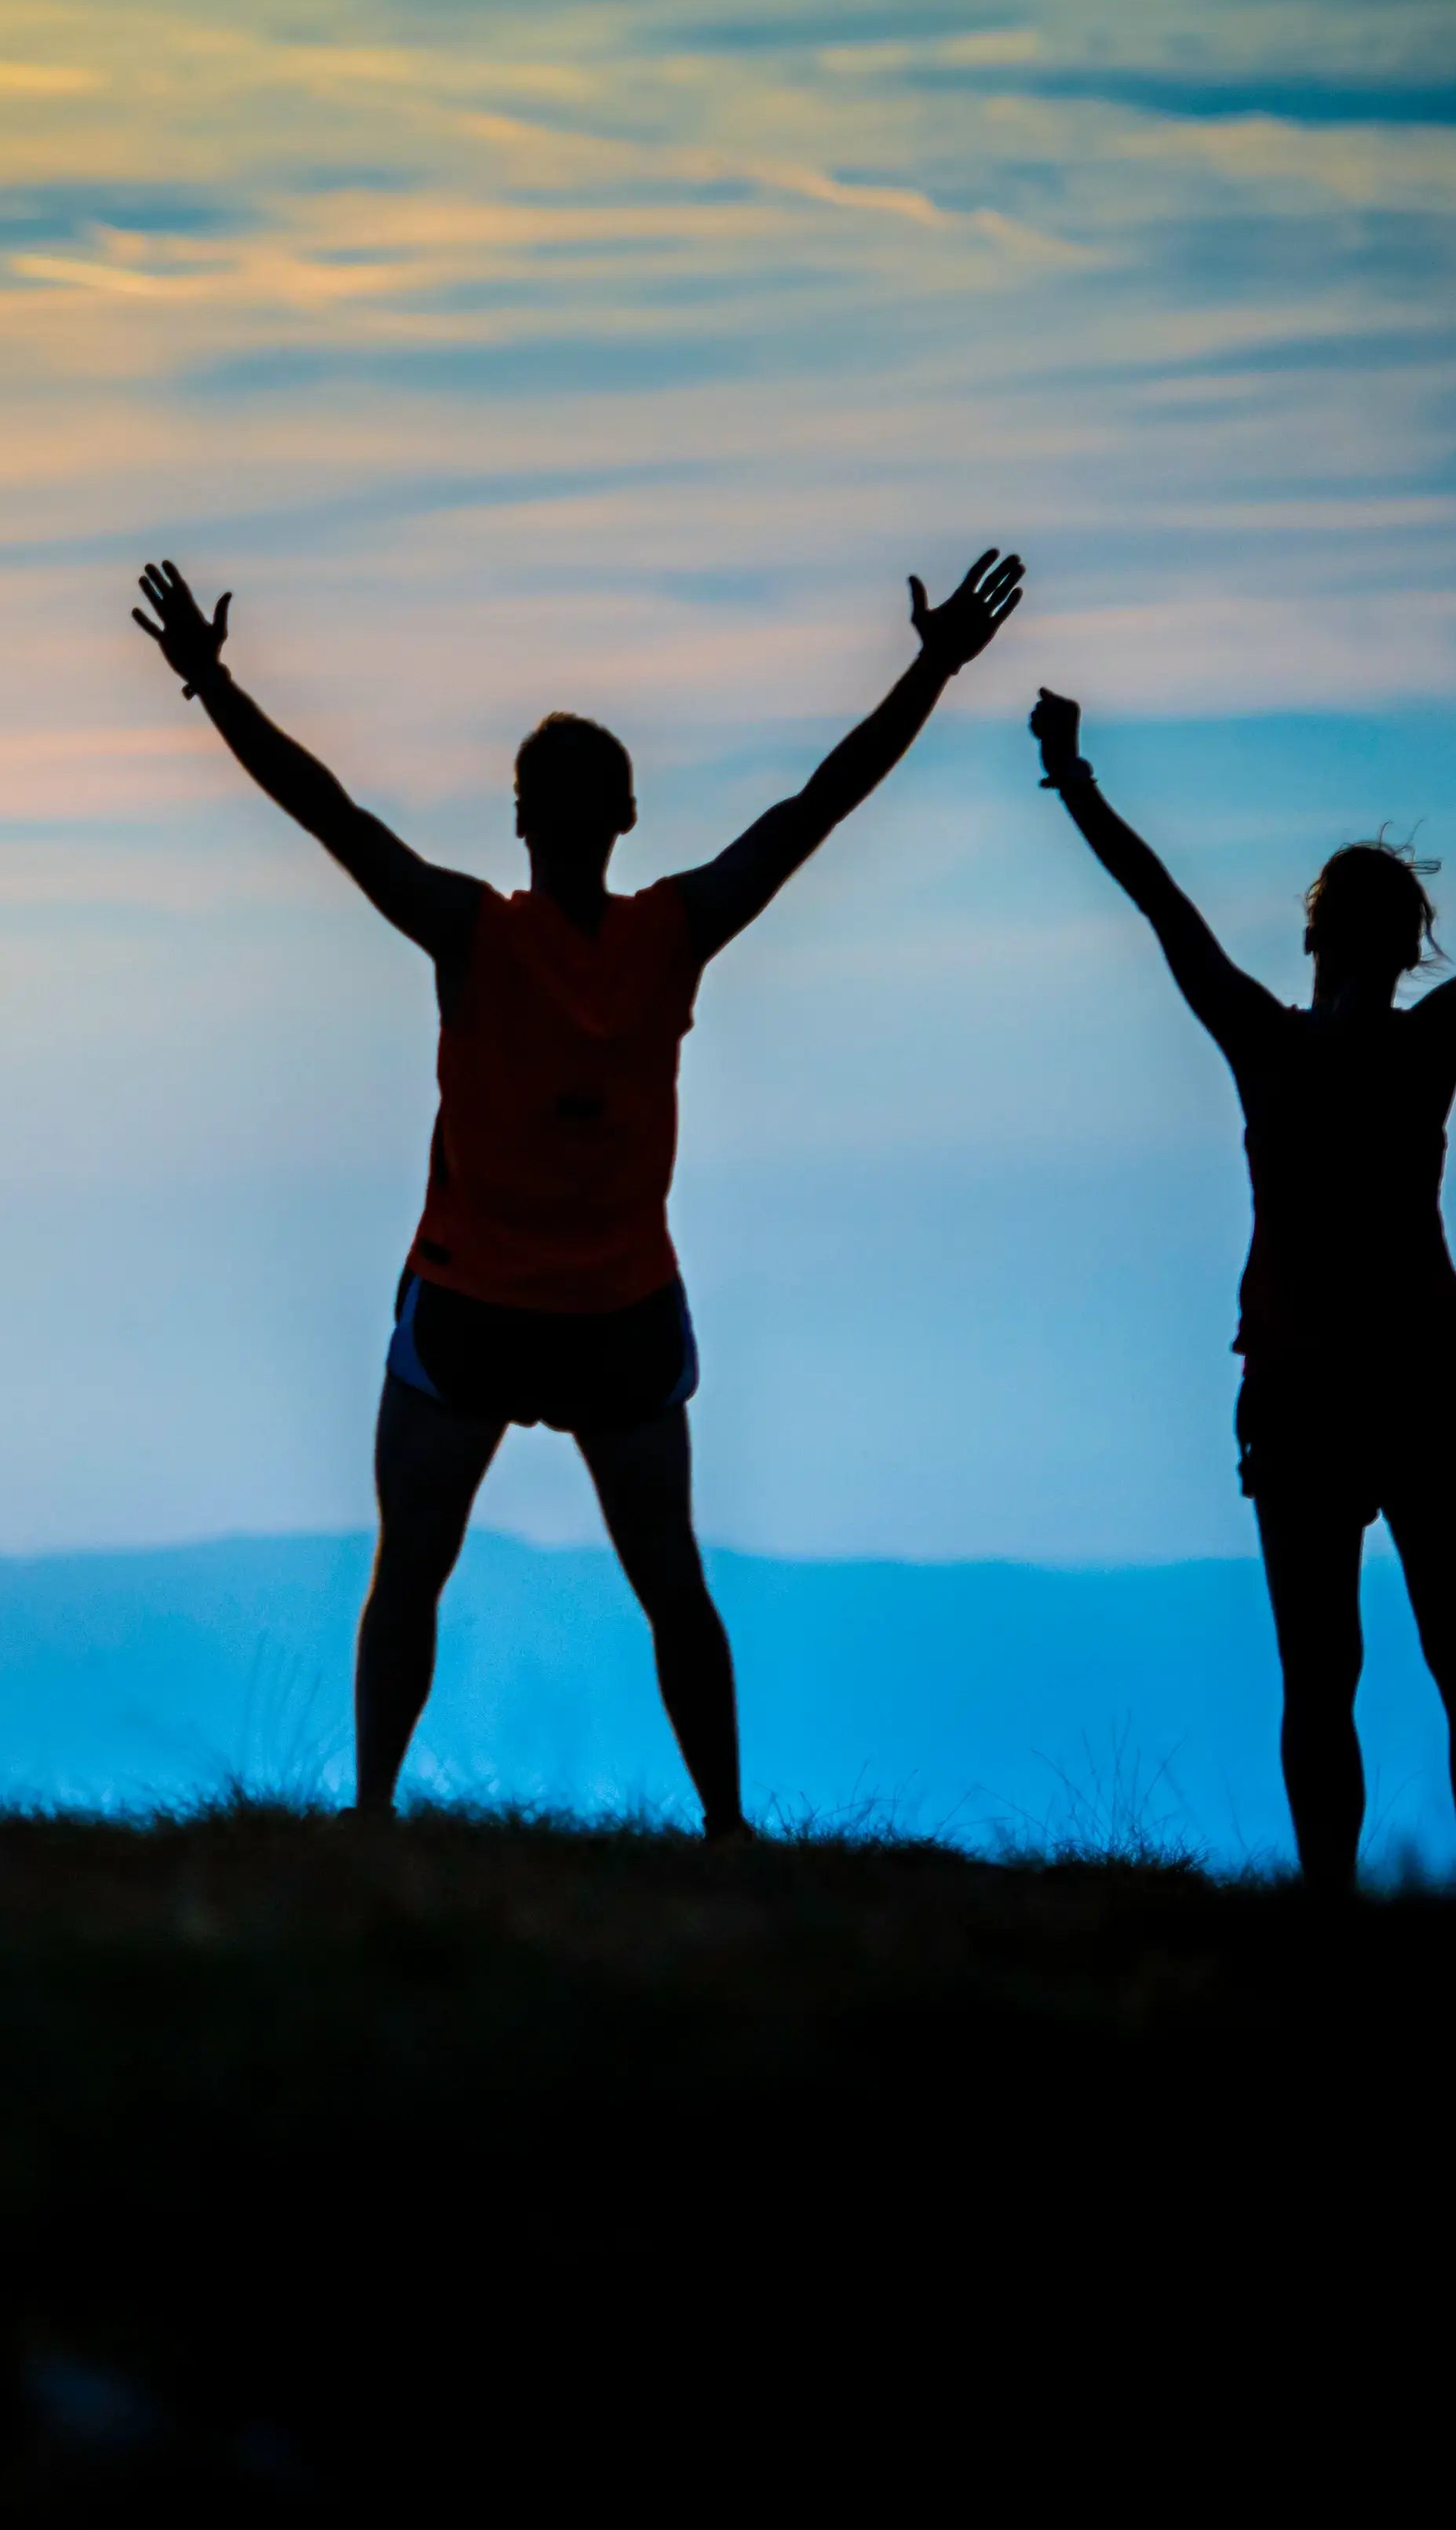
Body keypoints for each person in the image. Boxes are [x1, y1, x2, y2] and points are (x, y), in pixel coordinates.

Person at [133, 549, 1027, 1827]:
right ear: (622, 816)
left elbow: (327, 812)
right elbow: (816, 806)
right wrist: (932, 667)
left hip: (476, 1307)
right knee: (672, 1586)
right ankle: (724, 1829)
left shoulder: (473, 931)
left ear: (520, 819)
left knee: (410, 1577)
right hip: (614, 1315)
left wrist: (212, 684)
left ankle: (373, 1815)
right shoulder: (670, 928)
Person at [1027, 688, 1456, 1897]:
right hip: (1415, 1378)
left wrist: (1074, 778)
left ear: (1312, 938)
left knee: (1323, 1676)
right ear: (1408, 948)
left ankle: (1329, 1910)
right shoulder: (1425, 1044)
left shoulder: (1267, 1043)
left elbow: (1160, 902)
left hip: (1305, 1386)